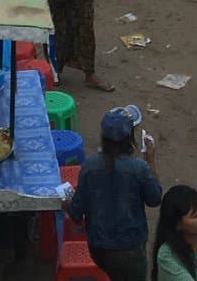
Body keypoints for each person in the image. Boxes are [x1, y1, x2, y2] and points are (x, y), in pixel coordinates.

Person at [66, 106, 163, 281]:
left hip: (98, 248)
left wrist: (66, 203)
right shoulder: (139, 168)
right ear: (130, 138)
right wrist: (150, 160)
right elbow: (155, 198)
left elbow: (75, 212)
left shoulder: (90, 166)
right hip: (130, 250)